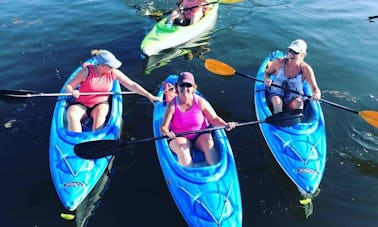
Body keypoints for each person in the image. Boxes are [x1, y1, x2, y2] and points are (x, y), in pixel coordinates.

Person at [65, 49, 160, 132]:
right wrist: (73, 91)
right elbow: (69, 86)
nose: (113, 68)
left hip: (100, 103)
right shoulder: (86, 71)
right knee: (72, 114)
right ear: (101, 65)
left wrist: (149, 95)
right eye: (110, 66)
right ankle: (75, 143)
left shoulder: (113, 72)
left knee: (100, 115)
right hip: (82, 104)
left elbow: (132, 85)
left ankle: (95, 142)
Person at [160, 72, 237, 167]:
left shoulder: (200, 102)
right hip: (179, 137)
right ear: (177, 88)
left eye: (188, 85)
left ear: (193, 88)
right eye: (182, 85)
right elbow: (163, 128)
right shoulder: (171, 105)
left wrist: (225, 125)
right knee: (182, 149)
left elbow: (213, 119)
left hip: (199, 136)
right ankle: (187, 177)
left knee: (209, 144)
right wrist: (167, 133)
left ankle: (215, 175)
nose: (185, 88)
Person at [264, 39, 321, 114]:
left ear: (303, 54)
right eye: (290, 50)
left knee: (299, 103)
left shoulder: (306, 69)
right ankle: (278, 120)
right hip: (275, 96)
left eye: (295, 52)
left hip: (292, 101)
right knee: (277, 101)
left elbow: (315, 89)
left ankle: (293, 120)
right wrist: (267, 79)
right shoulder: (279, 62)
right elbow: (267, 73)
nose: (291, 54)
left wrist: (316, 95)